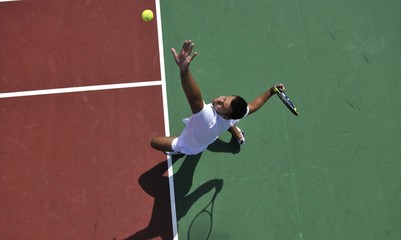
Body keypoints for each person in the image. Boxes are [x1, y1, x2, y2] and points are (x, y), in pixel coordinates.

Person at [150, 40, 285, 155]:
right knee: (230, 122)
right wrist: (271, 91)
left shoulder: (207, 119)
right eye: (225, 98)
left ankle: (178, 151)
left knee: (154, 143)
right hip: (213, 134)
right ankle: (238, 134)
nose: (219, 100)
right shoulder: (235, 113)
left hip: (190, 145)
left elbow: (194, 99)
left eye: (222, 105)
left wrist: (184, 71)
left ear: (226, 115)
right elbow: (253, 106)